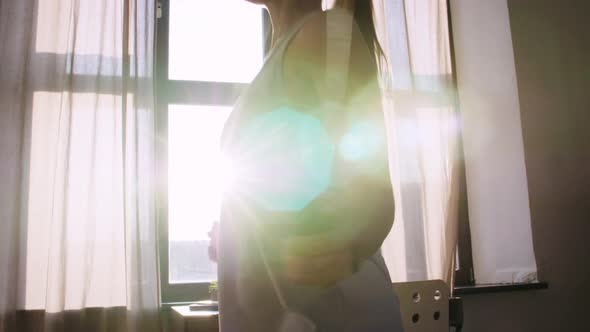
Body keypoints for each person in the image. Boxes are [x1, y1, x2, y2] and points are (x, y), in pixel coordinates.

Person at [217, 0, 403, 331]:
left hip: (327, 313)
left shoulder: (322, 35)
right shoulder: (289, 49)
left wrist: (343, 252)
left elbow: (377, 200)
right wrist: (240, 236)